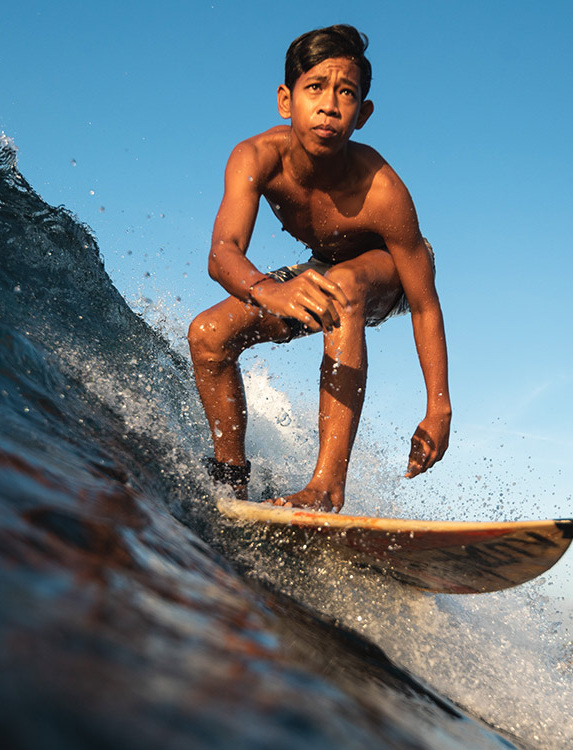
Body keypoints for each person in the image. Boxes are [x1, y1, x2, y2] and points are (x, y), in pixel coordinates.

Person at [187, 24, 451, 512]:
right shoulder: (256, 157)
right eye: (315, 88)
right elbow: (222, 252)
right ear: (286, 100)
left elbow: (424, 304)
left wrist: (439, 407)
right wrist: (269, 290)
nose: (329, 105)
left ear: (362, 113)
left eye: (346, 93)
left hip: (389, 274)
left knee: (344, 287)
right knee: (208, 334)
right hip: (325, 267)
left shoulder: (382, 189)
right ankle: (231, 481)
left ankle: (327, 487)